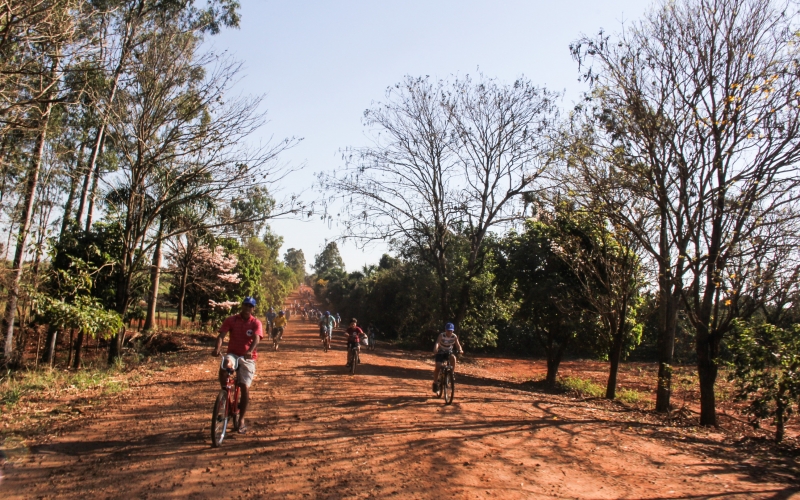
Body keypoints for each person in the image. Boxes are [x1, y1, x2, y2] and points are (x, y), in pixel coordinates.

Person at [213, 297, 263, 434]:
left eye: (250, 306)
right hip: (233, 354)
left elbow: (257, 338)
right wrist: (217, 348)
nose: (247, 308)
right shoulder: (231, 320)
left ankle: (241, 419)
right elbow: (221, 336)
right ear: (242, 306)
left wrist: (250, 351)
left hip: (247, 357)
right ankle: (225, 396)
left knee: (244, 386)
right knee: (225, 365)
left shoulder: (256, 323)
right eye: (245, 305)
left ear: (253, 309)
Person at [432, 323, 463, 393]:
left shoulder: (454, 336)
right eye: (448, 330)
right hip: (440, 352)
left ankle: (451, 374)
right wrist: (436, 349)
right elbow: (437, 342)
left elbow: (458, 345)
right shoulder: (441, 335)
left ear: (453, 331)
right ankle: (435, 383)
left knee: (453, 358)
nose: (449, 332)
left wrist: (460, 350)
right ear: (445, 330)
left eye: (451, 331)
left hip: (448, 352)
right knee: (438, 366)